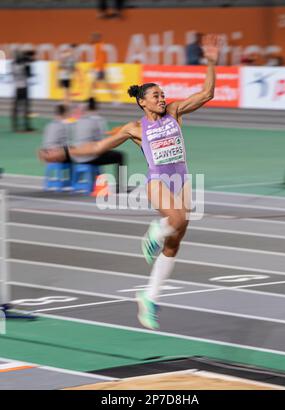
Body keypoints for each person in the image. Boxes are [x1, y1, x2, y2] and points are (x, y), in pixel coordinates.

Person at [45, 35, 219, 330]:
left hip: (182, 180)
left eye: (163, 94)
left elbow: (206, 94)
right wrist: (63, 152)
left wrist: (212, 61)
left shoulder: (175, 112)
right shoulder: (135, 128)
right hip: (158, 181)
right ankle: (154, 230)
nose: (162, 98)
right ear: (142, 102)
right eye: (156, 96)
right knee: (175, 219)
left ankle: (149, 298)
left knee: (175, 243)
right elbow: (98, 147)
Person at [70, 98, 126, 192]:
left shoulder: (78, 120)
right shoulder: (98, 120)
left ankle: (79, 182)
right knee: (120, 156)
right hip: (90, 157)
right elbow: (102, 142)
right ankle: (120, 187)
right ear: (97, 106)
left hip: (76, 156)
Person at [11, 50, 35, 132]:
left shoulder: (13, 65)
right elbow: (29, 74)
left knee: (16, 108)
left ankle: (14, 126)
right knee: (26, 108)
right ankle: (26, 126)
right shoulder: (24, 65)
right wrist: (28, 64)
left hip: (17, 88)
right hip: (24, 87)